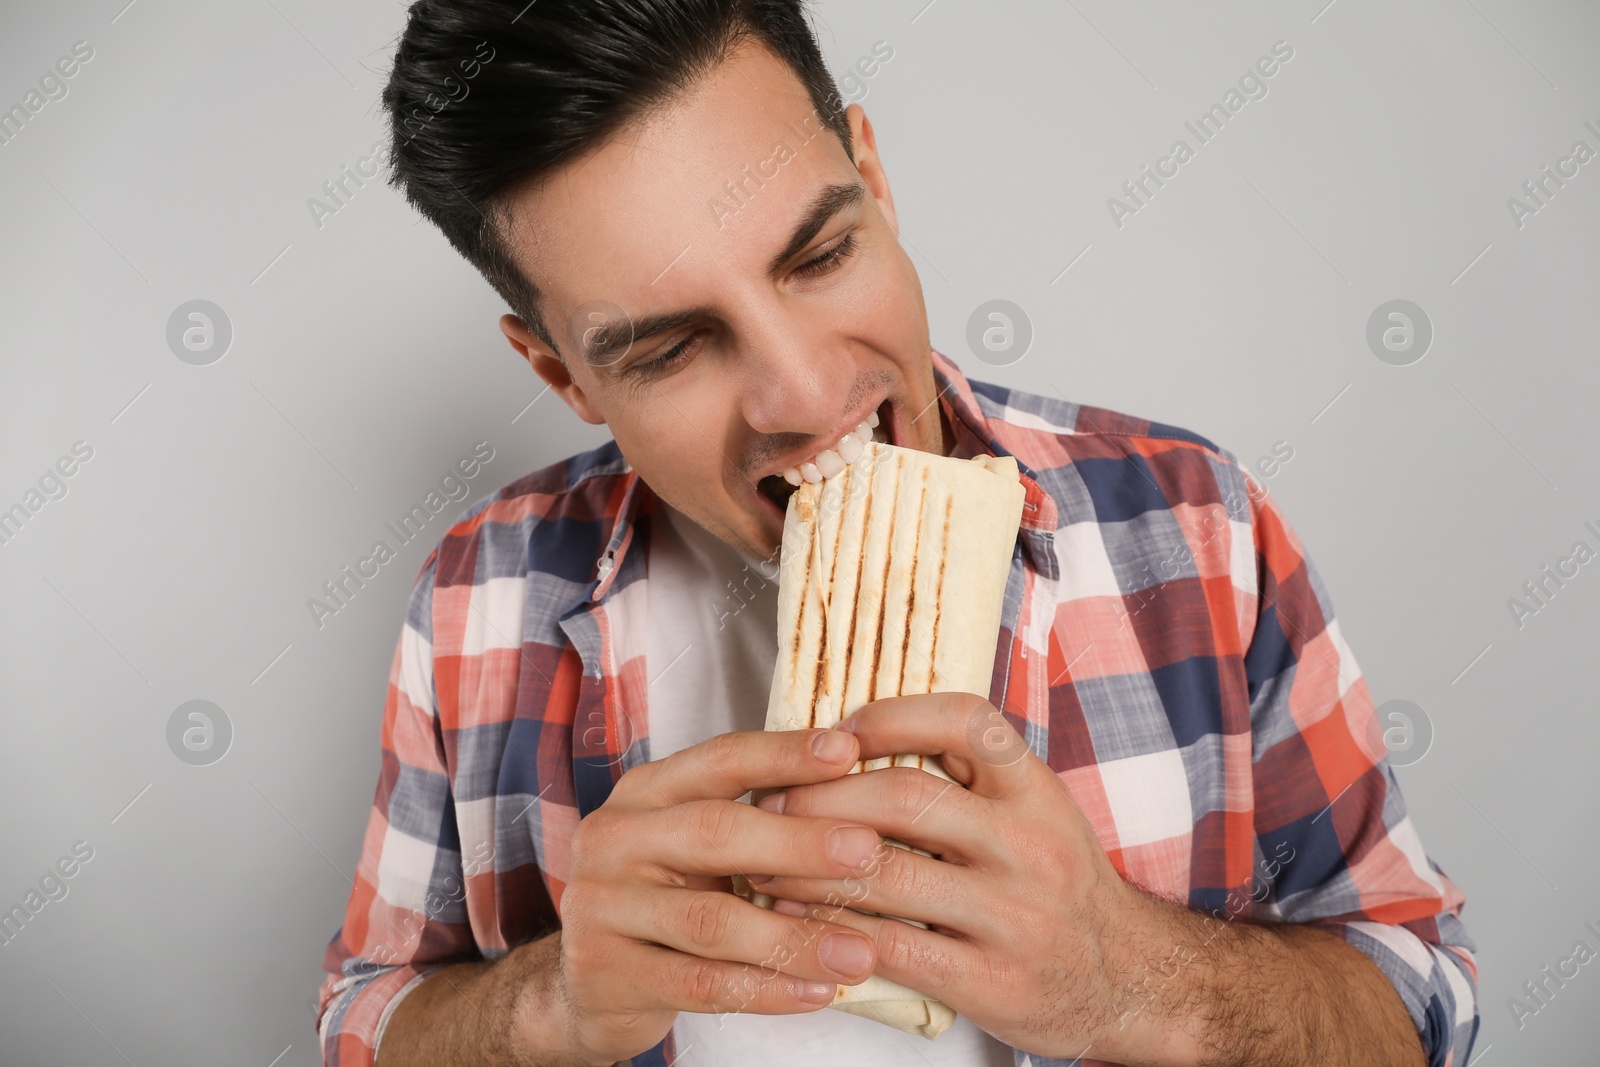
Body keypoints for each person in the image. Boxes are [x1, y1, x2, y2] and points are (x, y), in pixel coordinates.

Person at [315, 2, 1478, 1064]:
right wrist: (546, 1007)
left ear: (872, 177)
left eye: (819, 256)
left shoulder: (1194, 527)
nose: (804, 394)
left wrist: (1132, 978)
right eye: (669, 348)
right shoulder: (479, 596)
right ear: (559, 371)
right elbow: (364, 1011)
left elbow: (1419, 995)